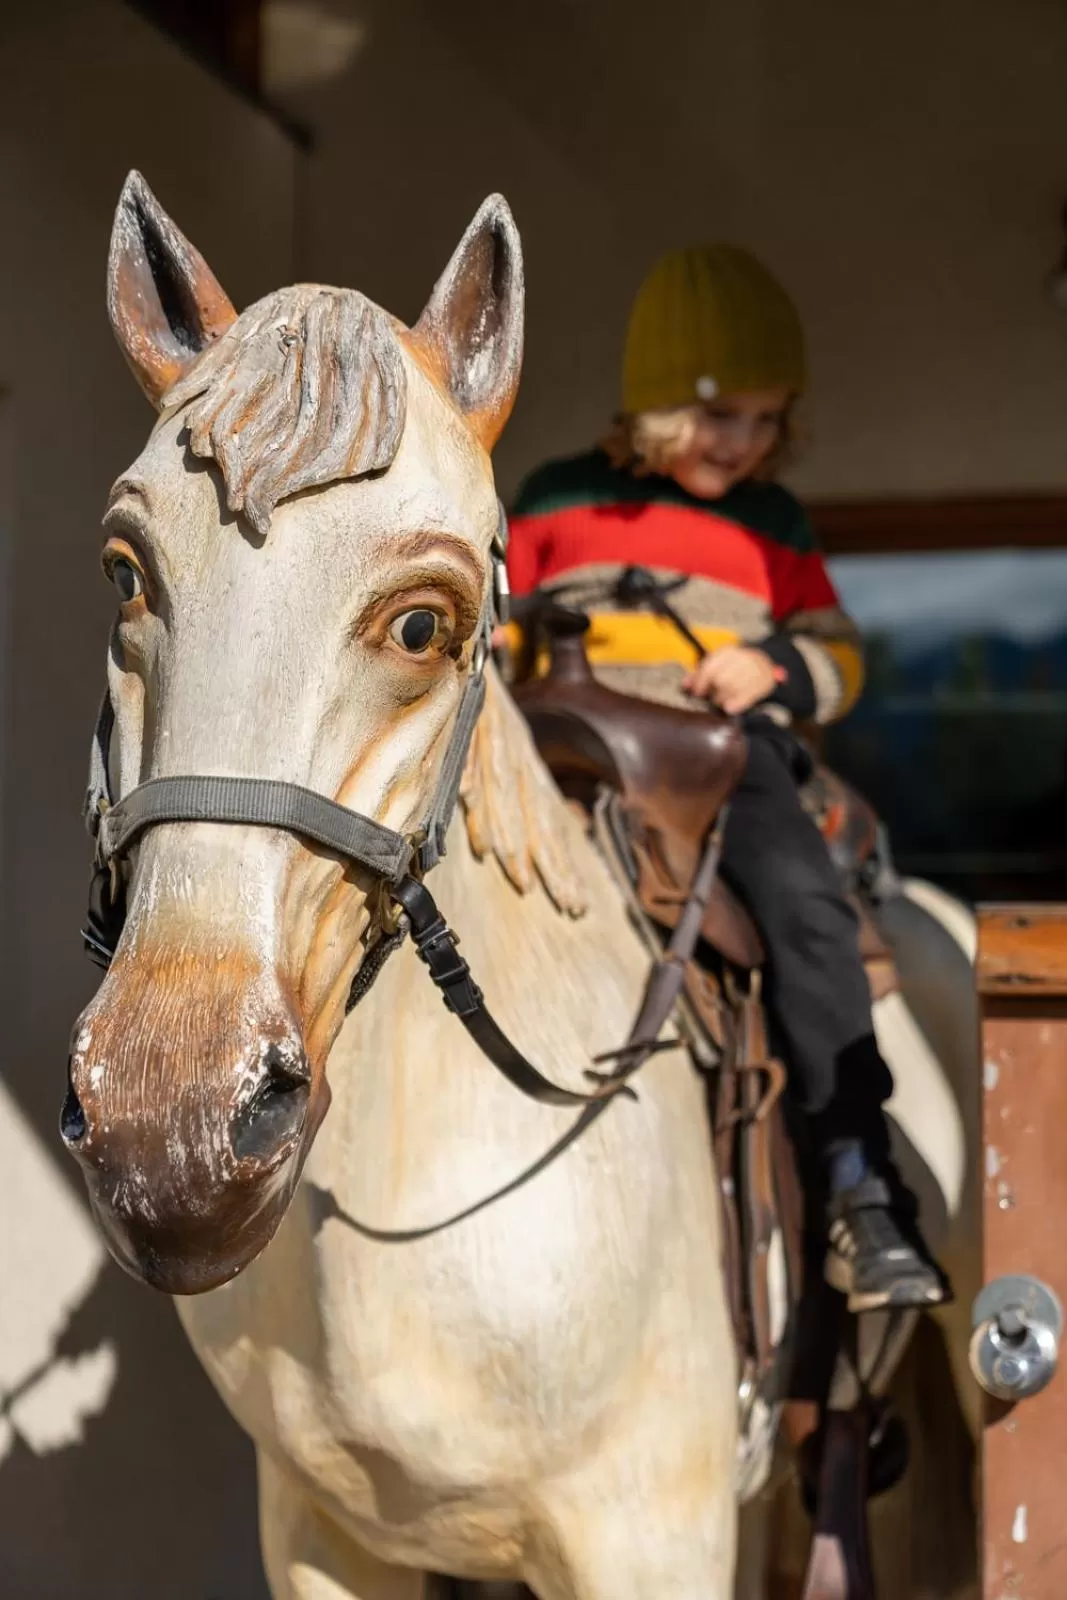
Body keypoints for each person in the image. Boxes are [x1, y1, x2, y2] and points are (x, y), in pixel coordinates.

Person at [504, 244, 948, 1313]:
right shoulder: (556, 500)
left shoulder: (774, 524)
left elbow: (838, 658)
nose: (741, 444)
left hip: (720, 761)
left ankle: (854, 1179)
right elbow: (492, 628)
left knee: (805, 906)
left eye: (763, 420)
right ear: (654, 407)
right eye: (717, 417)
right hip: (569, 754)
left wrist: (771, 667)